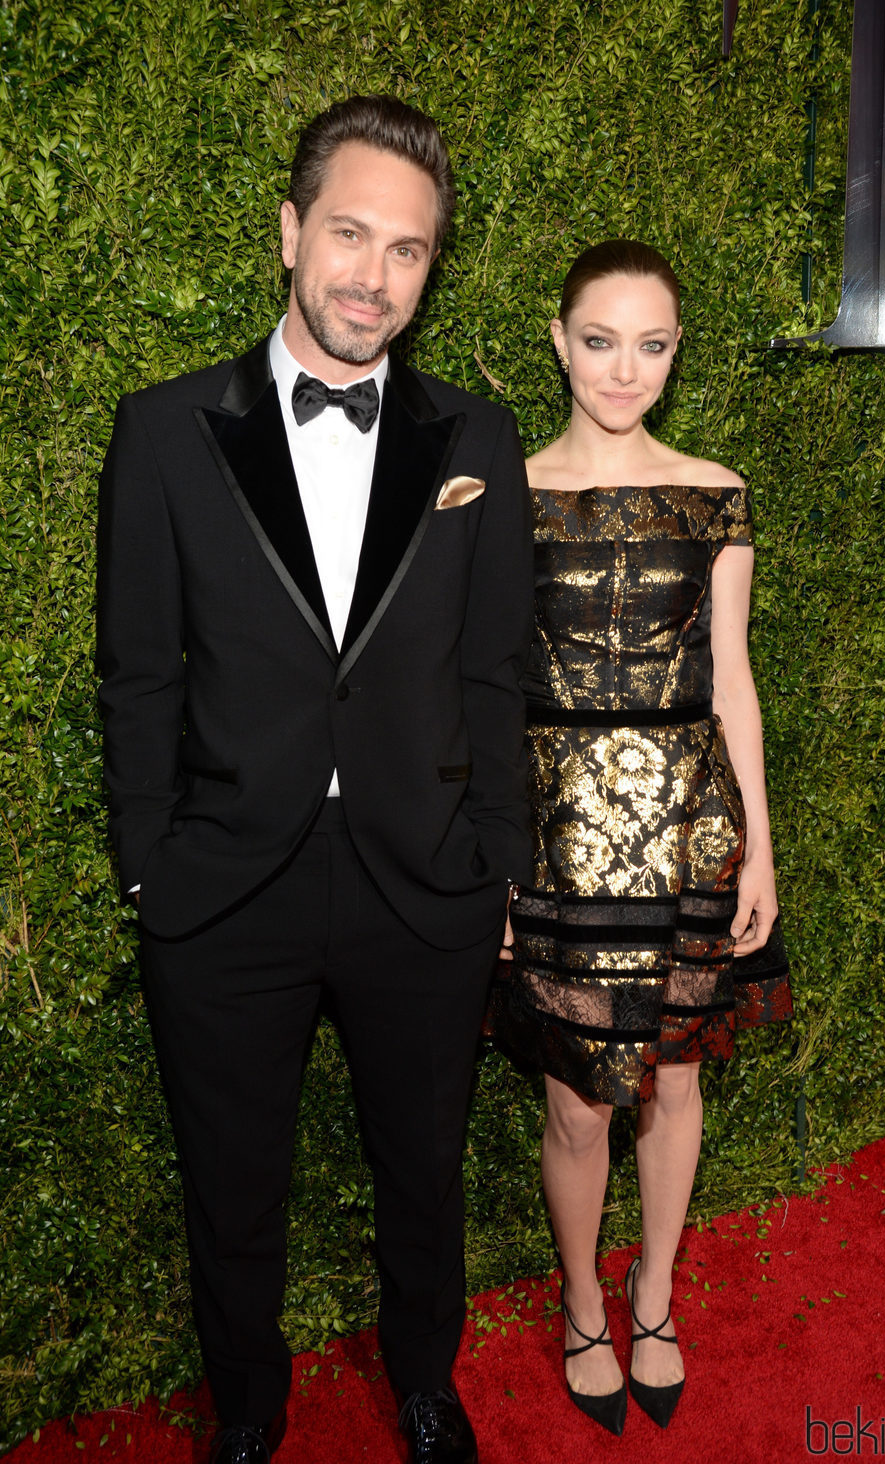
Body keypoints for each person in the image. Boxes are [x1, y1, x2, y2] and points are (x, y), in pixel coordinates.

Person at [97, 94, 532, 1464]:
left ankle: (423, 1382)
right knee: (230, 1187)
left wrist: (499, 871)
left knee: (423, 1169)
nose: (373, 275)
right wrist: (147, 864)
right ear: (290, 232)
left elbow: (495, 673)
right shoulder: (167, 433)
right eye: (349, 233)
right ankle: (245, 1410)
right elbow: (137, 673)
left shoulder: (476, 440)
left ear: (431, 268)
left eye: (407, 250)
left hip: (425, 885)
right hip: (226, 884)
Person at [492, 239, 792, 1436]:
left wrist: (759, 845)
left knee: (669, 1082)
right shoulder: (498, 494)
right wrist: (492, 855)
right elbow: (475, 689)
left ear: (674, 351)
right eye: (601, 339)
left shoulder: (712, 489)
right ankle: (579, 1302)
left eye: (651, 343)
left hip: (688, 826)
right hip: (554, 831)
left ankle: (652, 1294)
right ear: (559, 340)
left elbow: (732, 677)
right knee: (576, 1102)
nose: (625, 368)